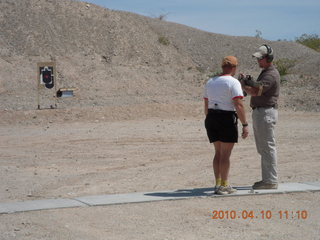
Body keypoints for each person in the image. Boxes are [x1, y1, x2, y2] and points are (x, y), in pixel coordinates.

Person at [203, 56, 249, 195]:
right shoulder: (233, 82)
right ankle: (224, 184)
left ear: (222, 66)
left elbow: (206, 104)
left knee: (218, 153)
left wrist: (210, 119)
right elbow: (239, 105)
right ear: (234, 67)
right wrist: (245, 124)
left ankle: (217, 184)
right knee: (225, 155)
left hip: (211, 117)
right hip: (226, 117)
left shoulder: (210, 82)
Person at [242, 44, 280, 190]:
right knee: (263, 148)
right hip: (262, 112)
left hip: (265, 112)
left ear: (268, 58)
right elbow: (256, 88)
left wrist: (245, 85)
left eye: (260, 58)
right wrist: (248, 83)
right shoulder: (266, 72)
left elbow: (256, 91)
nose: (258, 61)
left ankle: (270, 180)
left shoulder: (270, 74)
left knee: (267, 148)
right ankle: (268, 179)